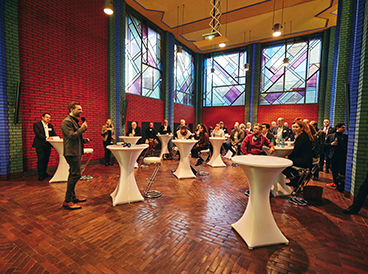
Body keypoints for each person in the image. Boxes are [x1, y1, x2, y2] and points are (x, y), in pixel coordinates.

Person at [61, 102, 90, 210]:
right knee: (76, 175)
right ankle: (67, 201)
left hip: (76, 151)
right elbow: (71, 136)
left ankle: (72, 196)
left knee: (73, 174)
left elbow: (76, 136)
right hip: (71, 152)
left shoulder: (74, 121)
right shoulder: (66, 121)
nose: (81, 111)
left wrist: (83, 140)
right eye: (79, 109)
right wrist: (82, 128)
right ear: (72, 110)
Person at [283, 121, 313, 188]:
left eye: (297, 127)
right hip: (306, 159)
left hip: (303, 161)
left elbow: (296, 151)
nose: (294, 129)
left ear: (302, 128)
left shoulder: (301, 137)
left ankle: (295, 180)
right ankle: (297, 178)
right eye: (294, 127)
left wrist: (288, 157)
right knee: (286, 163)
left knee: (283, 164)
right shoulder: (305, 136)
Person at [32, 113, 57, 181]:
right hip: (40, 144)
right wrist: (46, 138)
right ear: (42, 117)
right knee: (41, 159)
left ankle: (45, 173)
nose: (48, 119)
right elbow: (38, 134)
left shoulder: (50, 125)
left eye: (49, 118)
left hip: (47, 145)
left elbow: (53, 134)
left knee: (46, 159)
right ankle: (40, 175)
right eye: (47, 117)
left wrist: (56, 138)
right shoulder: (37, 124)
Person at [325, 123, 348, 192]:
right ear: (337, 128)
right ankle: (334, 182)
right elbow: (325, 145)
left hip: (342, 155)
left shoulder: (345, 137)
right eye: (342, 127)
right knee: (334, 169)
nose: (344, 129)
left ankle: (341, 184)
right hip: (333, 155)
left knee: (341, 170)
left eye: (344, 127)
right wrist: (331, 144)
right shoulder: (331, 136)